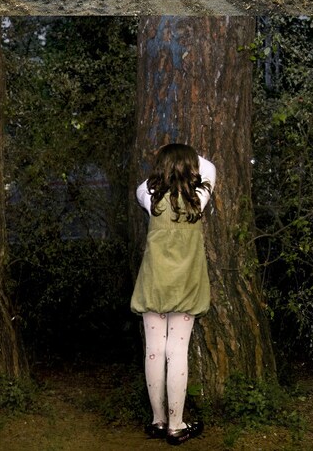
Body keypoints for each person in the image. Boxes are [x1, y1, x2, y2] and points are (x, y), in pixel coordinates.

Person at [131, 143, 216, 446]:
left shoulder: (150, 198)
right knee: (176, 352)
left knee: (154, 350)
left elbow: (144, 185)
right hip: (185, 285)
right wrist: (190, 157)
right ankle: (176, 425)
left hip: (154, 283)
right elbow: (210, 169)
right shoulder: (199, 200)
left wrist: (164, 167)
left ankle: (157, 421)